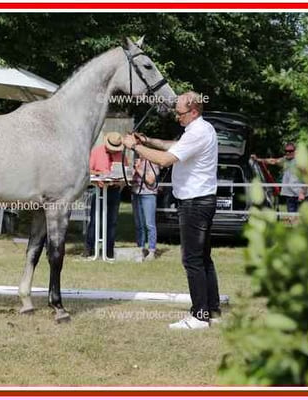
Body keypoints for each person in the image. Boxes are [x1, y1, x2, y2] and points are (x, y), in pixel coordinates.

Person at [122, 91, 220, 330]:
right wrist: (147, 140)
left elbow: (165, 160)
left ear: (193, 111)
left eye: (180, 113)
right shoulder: (201, 129)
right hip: (201, 201)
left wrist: (135, 146)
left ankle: (199, 316)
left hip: (194, 203)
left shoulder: (197, 132)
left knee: (192, 259)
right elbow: (173, 146)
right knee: (203, 258)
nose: (177, 117)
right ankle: (212, 309)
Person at [84, 131, 125, 259]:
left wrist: (120, 182)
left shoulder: (121, 155)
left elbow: (126, 172)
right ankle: (89, 248)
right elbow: (88, 169)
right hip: (99, 189)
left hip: (114, 190)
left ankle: (109, 250)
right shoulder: (96, 152)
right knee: (95, 220)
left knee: (112, 221)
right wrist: (99, 174)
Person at [251, 143, 306, 213]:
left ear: (295, 151)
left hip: (299, 194)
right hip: (289, 194)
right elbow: (273, 161)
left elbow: (306, 178)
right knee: (292, 216)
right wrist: (257, 159)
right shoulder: (285, 159)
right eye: (286, 151)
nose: (288, 153)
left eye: (290, 151)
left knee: (301, 216)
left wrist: (302, 193)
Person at [131, 155, 160, 262]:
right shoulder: (136, 162)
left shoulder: (153, 163)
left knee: (149, 224)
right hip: (136, 193)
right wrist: (133, 170)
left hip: (148, 195)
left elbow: (150, 180)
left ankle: (152, 250)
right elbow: (130, 178)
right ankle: (140, 248)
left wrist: (138, 169)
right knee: (139, 224)